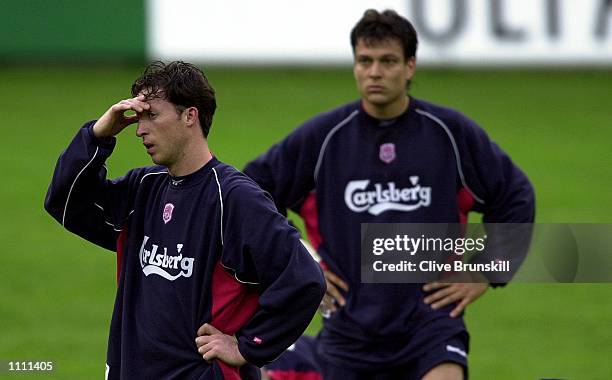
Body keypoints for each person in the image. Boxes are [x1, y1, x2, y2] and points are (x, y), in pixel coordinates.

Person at [244, 9, 535, 380]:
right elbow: (252, 194)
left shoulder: (450, 134)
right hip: (349, 329)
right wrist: (302, 265)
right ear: (355, 66)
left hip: (431, 323)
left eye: (388, 61)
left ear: (410, 66)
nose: (375, 72)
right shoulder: (324, 138)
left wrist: (486, 270)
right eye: (365, 61)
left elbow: (515, 195)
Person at [44, 61, 326, 379]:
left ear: (189, 116)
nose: (139, 129)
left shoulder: (234, 198)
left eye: (152, 115)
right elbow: (65, 202)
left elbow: (304, 279)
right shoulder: (142, 190)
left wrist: (248, 347)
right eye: (138, 117)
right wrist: (98, 134)